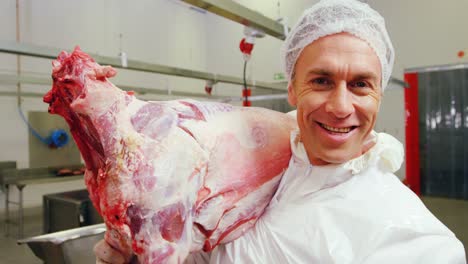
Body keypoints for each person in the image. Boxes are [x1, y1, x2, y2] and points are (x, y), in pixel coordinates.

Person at [95, 0, 467, 263]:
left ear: (379, 96)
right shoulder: (253, 173)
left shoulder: (416, 241)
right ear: (292, 89)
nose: (340, 106)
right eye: (321, 80)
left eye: (360, 85)